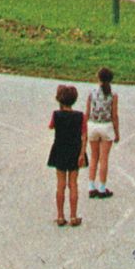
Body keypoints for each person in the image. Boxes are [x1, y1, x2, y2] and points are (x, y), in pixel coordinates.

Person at [47, 84, 88, 226]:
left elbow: (51, 126)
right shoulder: (81, 116)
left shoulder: (56, 115)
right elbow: (84, 136)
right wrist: (82, 153)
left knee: (60, 184)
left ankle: (59, 216)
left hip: (59, 150)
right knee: (73, 184)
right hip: (75, 150)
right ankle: (73, 216)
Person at [84, 67, 120, 198]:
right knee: (104, 158)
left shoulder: (91, 92)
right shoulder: (113, 94)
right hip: (106, 126)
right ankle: (102, 187)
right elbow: (114, 115)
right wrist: (117, 132)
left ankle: (91, 186)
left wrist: (84, 129)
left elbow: (87, 112)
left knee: (94, 156)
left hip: (93, 125)